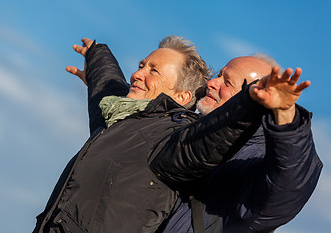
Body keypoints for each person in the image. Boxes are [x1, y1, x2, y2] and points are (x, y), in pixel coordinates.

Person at [34, 36, 255, 233]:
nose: (137, 74)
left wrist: (253, 104)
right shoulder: (121, 120)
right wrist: (97, 55)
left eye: (153, 70)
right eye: (142, 65)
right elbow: (109, 91)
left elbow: (210, 141)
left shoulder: (174, 137)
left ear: (182, 96)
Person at [151, 55, 323, 233]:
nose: (212, 82)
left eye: (227, 82)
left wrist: (286, 116)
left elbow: (287, 188)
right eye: (219, 74)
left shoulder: (257, 156)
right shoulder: (182, 130)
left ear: (260, 97)